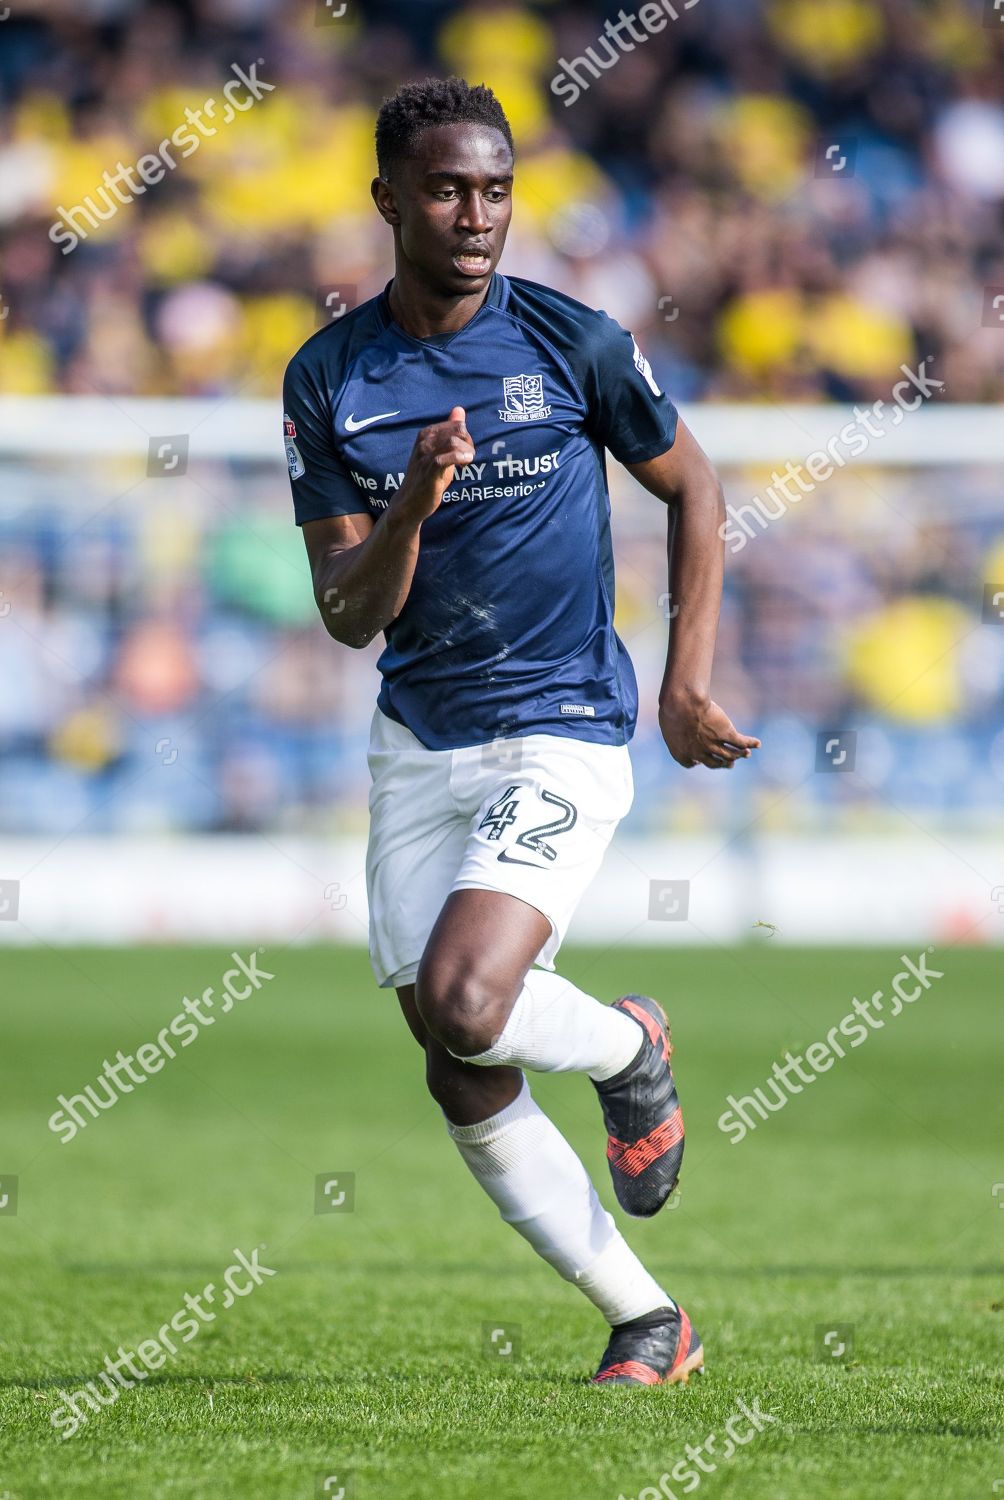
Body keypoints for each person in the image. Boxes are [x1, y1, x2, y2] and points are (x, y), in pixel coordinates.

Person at [283, 76, 759, 1385]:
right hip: (418, 740)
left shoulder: (574, 343)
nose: (477, 213)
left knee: (467, 998)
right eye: (446, 188)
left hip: (561, 726)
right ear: (387, 199)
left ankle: (625, 1049)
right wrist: (410, 509)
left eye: (495, 188)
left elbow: (694, 483)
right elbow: (344, 611)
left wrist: (683, 678)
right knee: (460, 1064)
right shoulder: (330, 378)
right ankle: (650, 1319)